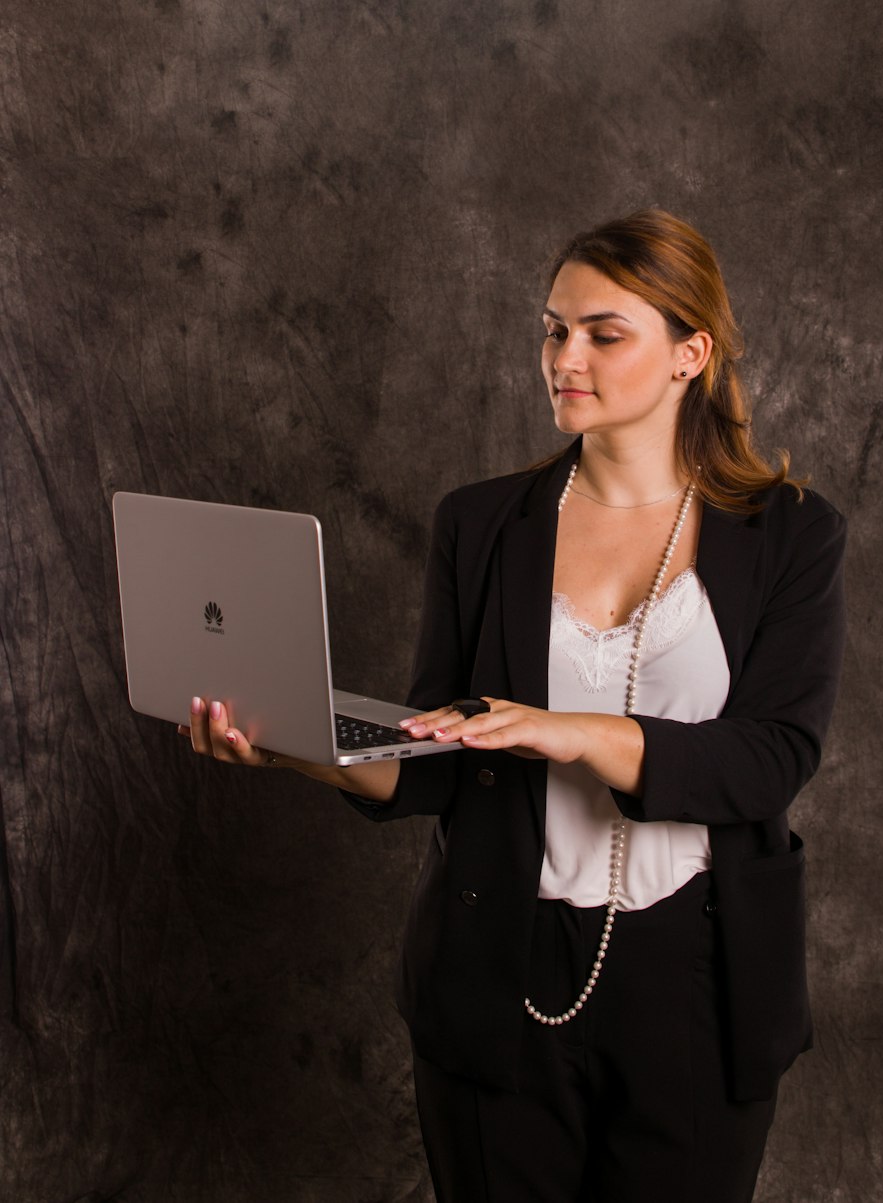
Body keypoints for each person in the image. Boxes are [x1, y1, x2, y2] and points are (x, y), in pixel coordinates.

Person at [183, 208, 847, 1202]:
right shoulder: (481, 522)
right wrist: (286, 745)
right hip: (499, 968)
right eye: (551, 329)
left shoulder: (790, 533)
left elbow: (768, 760)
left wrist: (564, 731)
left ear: (688, 353)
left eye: (600, 332)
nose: (562, 356)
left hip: (702, 980)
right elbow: (436, 759)